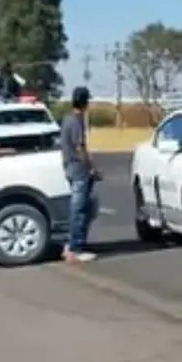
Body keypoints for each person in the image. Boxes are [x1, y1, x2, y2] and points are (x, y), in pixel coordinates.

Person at [60, 86, 101, 263]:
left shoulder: (67, 119)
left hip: (70, 166)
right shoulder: (77, 121)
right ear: (85, 102)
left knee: (84, 207)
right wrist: (91, 168)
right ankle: (75, 248)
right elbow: (79, 147)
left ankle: (71, 245)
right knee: (79, 209)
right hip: (78, 169)